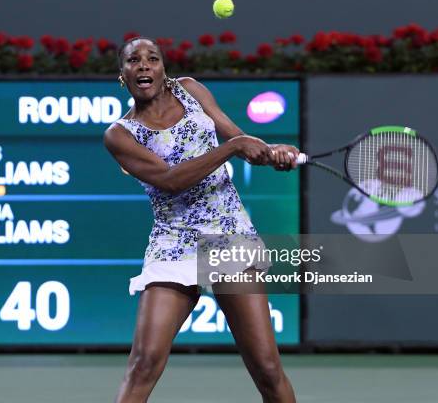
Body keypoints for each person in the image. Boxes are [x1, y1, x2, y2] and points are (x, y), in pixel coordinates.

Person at [103, 36, 298, 403]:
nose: (144, 65)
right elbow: (171, 180)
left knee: (268, 370)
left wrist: (270, 153)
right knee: (144, 364)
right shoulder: (120, 134)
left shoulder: (191, 90)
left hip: (229, 235)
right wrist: (233, 148)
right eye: (133, 61)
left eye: (152, 58)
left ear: (163, 69)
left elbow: (237, 136)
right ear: (123, 76)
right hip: (173, 243)